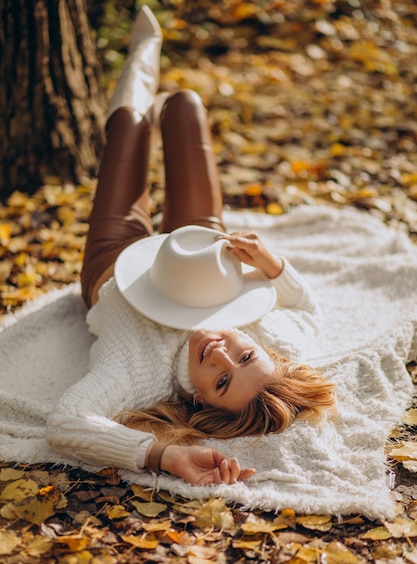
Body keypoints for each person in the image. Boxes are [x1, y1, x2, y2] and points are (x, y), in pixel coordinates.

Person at [45, 6, 335, 486]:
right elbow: (307, 309)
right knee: (185, 106)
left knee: (130, 133)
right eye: (244, 357)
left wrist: (161, 455)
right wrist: (274, 266)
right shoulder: (276, 342)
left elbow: (66, 422)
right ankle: (170, 91)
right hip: (197, 251)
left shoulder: (137, 372)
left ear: (200, 400)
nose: (222, 353)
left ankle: (140, 62)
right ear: (267, 353)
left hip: (113, 265)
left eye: (221, 380)